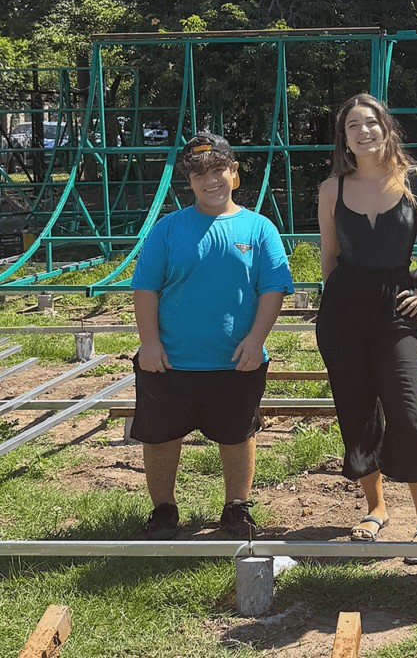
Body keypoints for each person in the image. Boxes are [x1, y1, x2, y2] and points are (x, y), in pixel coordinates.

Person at [316, 93, 417, 563]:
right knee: (356, 410)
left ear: (386, 129)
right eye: (353, 125)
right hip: (344, 312)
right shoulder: (331, 189)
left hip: (399, 309)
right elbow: (329, 254)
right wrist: (334, 305)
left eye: (371, 123)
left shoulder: (414, 181)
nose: (363, 132)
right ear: (344, 137)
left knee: (406, 406)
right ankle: (375, 509)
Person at [132, 132, 294, 539]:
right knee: (161, 437)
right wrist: (149, 343)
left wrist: (257, 339)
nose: (210, 180)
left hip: (235, 359)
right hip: (170, 359)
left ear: (234, 173)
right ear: (189, 181)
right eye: (199, 174)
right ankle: (164, 510)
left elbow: (272, 289)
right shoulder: (168, 229)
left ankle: (236, 507)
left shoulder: (259, 229)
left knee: (238, 435)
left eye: (218, 170)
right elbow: (145, 288)